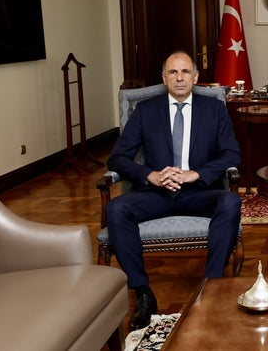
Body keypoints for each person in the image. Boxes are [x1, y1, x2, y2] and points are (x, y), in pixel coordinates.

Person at [106, 50, 242, 331]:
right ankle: (143, 293)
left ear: (195, 77)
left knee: (229, 203)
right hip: (157, 193)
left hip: (199, 192)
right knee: (116, 208)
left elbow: (231, 154)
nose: (179, 78)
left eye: (185, 72)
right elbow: (117, 158)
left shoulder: (214, 110)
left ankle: (212, 289)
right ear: (164, 78)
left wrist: (197, 174)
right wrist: (151, 175)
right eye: (172, 72)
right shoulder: (145, 111)